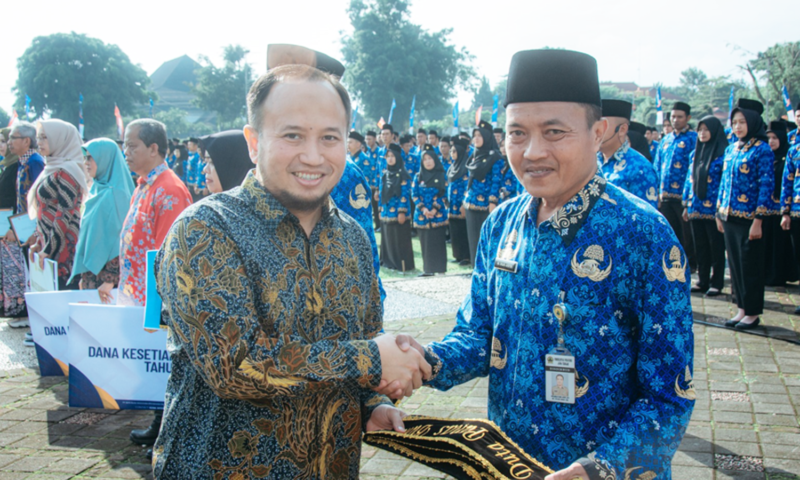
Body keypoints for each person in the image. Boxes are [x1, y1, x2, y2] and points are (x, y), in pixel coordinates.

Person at [381, 49, 695, 479]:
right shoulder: (500, 224)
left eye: (554, 132)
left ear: (597, 132)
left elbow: (669, 397)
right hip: (510, 464)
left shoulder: (644, 234)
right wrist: (426, 360)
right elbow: (479, 335)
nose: (532, 151)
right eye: (517, 133)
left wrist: (597, 470)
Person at [152, 64, 427, 478]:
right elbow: (235, 366)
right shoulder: (205, 229)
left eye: (330, 138)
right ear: (253, 140)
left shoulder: (352, 238)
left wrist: (373, 403)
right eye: (292, 135)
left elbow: (365, 333)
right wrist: (372, 359)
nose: (313, 156)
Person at [121, 119, 192, 448]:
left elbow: (170, 253)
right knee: (154, 366)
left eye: (132, 146)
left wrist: (159, 306)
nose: (126, 152)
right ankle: (157, 422)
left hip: (159, 298)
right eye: (124, 146)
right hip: (139, 293)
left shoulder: (169, 190)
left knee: (165, 366)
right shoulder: (144, 184)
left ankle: (169, 432)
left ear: (154, 148)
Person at [718, 105, 775, 330]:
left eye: (742, 122)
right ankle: (741, 307)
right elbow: (724, 183)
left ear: (752, 123)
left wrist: (758, 220)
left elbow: (766, 185)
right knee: (734, 266)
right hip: (729, 216)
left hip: (750, 219)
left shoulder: (762, 150)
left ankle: (752, 312)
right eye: (734, 123)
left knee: (750, 265)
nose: (738, 127)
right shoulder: (731, 149)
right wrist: (718, 213)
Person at [70, 139, 134, 303]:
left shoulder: (117, 194)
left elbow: (121, 240)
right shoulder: (99, 188)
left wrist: (110, 280)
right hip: (93, 274)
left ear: (105, 159)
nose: (87, 163)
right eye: (85, 158)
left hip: (106, 280)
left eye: (91, 158)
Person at [27, 119, 88, 290]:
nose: (39, 142)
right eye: (38, 138)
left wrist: (49, 248)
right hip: (48, 246)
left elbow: (64, 214)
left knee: (61, 301)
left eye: (45, 138)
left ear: (60, 139)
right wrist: (39, 242)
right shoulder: (51, 168)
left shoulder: (68, 171)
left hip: (62, 248)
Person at [4, 122, 44, 329]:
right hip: (22, 228)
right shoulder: (22, 163)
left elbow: (39, 200)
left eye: (13, 138)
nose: (9, 142)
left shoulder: (35, 163)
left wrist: (33, 230)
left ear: (26, 140)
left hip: (33, 230)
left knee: (35, 273)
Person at [682, 116, 728, 297]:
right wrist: (686, 204)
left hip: (714, 209)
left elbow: (725, 182)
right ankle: (702, 279)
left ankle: (717, 282)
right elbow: (689, 180)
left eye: (706, 130)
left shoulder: (723, 153)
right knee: (700, 246)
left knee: (716, 247)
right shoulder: (695, 154)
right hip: (696, 207)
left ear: (715, 131)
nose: (702, 133)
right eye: (700, 130)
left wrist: (721, 208)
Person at [654, 102, 697, 271]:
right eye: (673, 117)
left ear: (688, 118)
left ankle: (690, 265)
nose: (675, 120)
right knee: (667, 232)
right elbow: (657, 166)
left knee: (686, 235)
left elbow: (694, 169)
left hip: (682, 197)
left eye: (680, 117)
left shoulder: (693, 139)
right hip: (664, 196)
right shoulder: (665, 140)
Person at [597, 100, 659, 208]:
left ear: (622, 129)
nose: (596, 131)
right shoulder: (591, 161)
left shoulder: (640, 167)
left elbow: (647, 218)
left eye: (603, 126)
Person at [464, 120, 504, 265]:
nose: (476, 139)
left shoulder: (495, 157)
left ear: (487, 137)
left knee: (487, 240)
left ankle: (487, 270)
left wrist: (492, 201)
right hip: (471, 204)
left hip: (486, 206)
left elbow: (496, 181)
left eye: (480, 136)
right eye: (474, 136)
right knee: (473, 239)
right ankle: (475, 269)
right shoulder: (474, 156)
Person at [762, 120, 797, 287]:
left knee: (781, 246)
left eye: (775, 138)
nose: (771, 141)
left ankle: (781, 275)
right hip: (767, 210)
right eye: (769, 138)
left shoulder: (787, 155)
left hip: (783, 210)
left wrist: (785, 209)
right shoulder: (765, 157)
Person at [0, 128, 27, 320]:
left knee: (15, 269)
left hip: (12, 225)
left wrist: (12, 227)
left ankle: (20, 311)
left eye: (6, 140)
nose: (5, 145)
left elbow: (20, 200)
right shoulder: (7, 165)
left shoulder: (19, 165)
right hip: (5, 224)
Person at [413, 145, 448, 276]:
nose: (428, 161)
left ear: (435, 160)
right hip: (423, 216)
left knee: (438, 242)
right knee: (425, 242)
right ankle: (428, 269)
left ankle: (440, 269)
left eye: (430, 158)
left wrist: (434, 209)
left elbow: (444, 194)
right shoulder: (418, 176)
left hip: (437, 215)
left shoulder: (441, 174)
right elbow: (414, 194)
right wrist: (423, 208)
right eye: (425, 159)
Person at [379, 143, 415, 272]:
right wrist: (380, 209)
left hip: (399, 214)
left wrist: (402, 211)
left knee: (399, 239)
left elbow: (405, 195)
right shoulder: (385, 174)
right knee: (388, 238)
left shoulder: (403, 175)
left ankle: (402, 264)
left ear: (398, 158)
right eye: (388, 156)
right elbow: (381, 193)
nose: (390, 159)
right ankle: (388, 261)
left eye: (392, 156)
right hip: (386, 212)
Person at [447, 138, 471, 265]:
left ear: (461, 152)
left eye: (454, 151)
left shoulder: (466, 167)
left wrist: (464, 204)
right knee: (454, 230)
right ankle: (457, 255)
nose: (452, 153)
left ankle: (466, 256)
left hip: (461, 205)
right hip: (452, 205)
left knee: (463, 231)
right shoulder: (452, 167)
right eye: (451, 151)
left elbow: (468, 187)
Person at [365, 130, 382, 228]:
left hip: (376, 184)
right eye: (366, 139)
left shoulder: (379, 152)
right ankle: (375, 225)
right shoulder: (367, 152)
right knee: (370, 206)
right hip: (367, 184)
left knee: (376, 206)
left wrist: (377, 186)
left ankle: (379, 225)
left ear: (375, 139)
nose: (367, 141)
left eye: (369, 139)